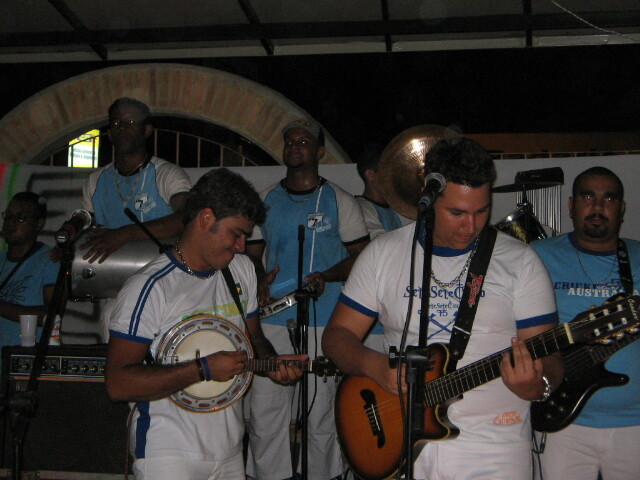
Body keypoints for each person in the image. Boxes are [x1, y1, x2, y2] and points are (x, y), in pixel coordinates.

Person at [323, 137, 564, 480]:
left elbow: (550, 361)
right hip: (403, 444)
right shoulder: (383, 253)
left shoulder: (521, 261)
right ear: (429, 195)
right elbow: (336, 337)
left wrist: (537, 385)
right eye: (457, 213)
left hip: (495, 447)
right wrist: (374, 365)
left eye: (482, 211)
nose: (471, 226)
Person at [105, 168, 305, 480]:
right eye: (236, 234)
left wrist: (271, 364)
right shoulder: (149, 287)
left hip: (230, 449)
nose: (241, 246)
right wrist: (202, 369)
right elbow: (118, 384)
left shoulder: (241, 270)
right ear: (206, 218)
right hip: (167, 452)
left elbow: (253, 339)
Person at [245, 119, 370, 480]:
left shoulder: (339, 200)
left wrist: (327, 276)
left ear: (319, 151)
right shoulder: (265, 199)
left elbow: (363, 256)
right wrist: (259, 276)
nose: (295, 147)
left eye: (303, 142)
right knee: (266, 411)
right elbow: (251, 254)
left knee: (321, 413)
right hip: (272, 319)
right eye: (290, 141)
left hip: (325, 319)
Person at [532, 166, 640, 480]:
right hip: (562, 421)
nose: (597, 206)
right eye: (588, 197)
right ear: (571, 205)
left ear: (621, 209)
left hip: (634, 422)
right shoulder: (535, 257)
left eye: (609, 198)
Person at [80, 97, 191, 264]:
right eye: (116, 122)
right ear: (109, 134)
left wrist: (125, 234)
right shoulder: (95, 181)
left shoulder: (167, 174)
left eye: (131, 121)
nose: (122, 127)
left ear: (147, 130)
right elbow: (86, 226)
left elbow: (185, 219)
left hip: (161, 271)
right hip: (109, 272)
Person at [355, 143, 404, 353]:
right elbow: (381, 248)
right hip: (369, 318)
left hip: (385, 315)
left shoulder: (391, 212)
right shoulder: (360, 208)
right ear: (371, 175)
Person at [0, 192, 59, 352]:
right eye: (8, 216)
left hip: (27, 358)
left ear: (39, 224)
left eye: (20, 218)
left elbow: (52, 315)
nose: (10, 222)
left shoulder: (50, 260)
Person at [355, 142, 403, 240]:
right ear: (371, 175)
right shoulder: (360, 208)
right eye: (389, 170)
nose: (394, 175)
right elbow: (380, 243)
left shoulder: (391, 209)